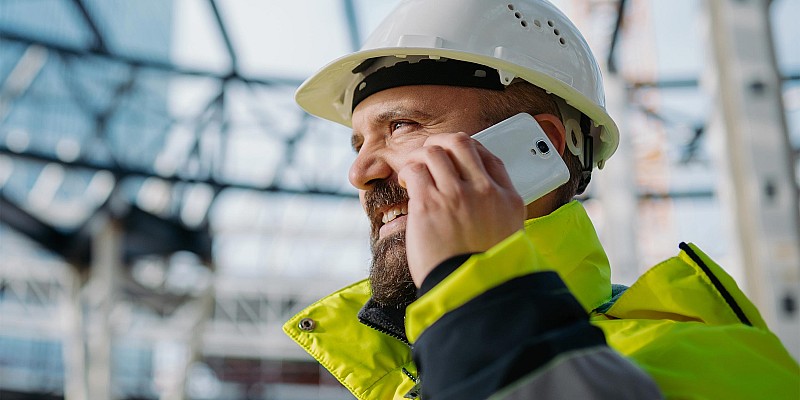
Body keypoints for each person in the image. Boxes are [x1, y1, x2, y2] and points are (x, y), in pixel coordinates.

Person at [282, 0, 800, 399]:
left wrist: (476, 290)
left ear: (539, 145)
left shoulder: (714, 364)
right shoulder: (399, 376)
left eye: (401, 126)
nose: (360, 172)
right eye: (358, 144)